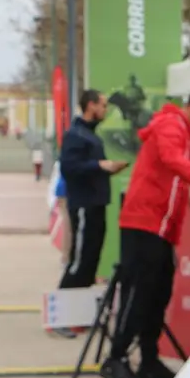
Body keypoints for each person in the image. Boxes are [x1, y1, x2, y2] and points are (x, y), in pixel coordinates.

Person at [99, 87, 190, 378]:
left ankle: (148, 358)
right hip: (144, 223)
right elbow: (170, 161)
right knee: (139, 291)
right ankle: (116, 357)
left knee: (159, 292)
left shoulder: (182, 134)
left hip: (160, 227)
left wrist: (188, 195)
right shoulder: (172, 126)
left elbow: (168, 176)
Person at [58, 89, 125, 290]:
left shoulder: (91, 135)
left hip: (97, 205)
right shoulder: (75, 135)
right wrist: (100, 166)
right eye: (103, 105)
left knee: (90, 262)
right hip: (84, 206)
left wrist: (107, 169)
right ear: (91, 105)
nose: (105, 110)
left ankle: (79, 312)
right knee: (79, 262)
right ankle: (63, 310)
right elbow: (68, 167)